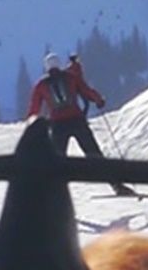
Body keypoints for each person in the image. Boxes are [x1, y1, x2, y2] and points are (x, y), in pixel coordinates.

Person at [25, 52, 133, 193]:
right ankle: (116, 185)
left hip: (58, 126)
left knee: (56, 161)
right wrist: (99, 100)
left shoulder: (41, 85)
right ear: (59, 64)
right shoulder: (70, 77)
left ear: (46, 67)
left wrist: (31, 124)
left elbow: (34, 107)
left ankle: (52, 196)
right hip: (77, 121)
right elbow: (86, 91)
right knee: (94, 154)